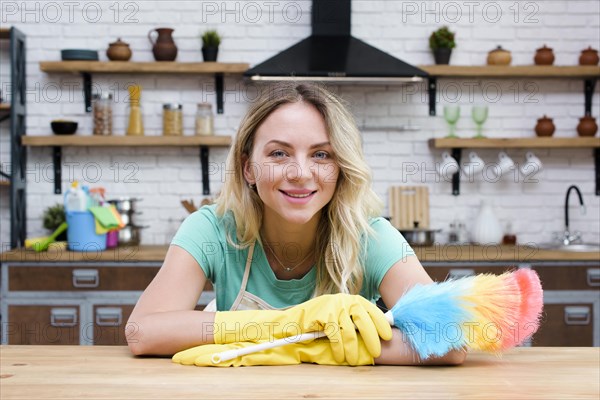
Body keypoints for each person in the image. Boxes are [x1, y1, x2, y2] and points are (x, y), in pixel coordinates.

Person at [126, 83, 465, 366]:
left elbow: (452, 341)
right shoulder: (212, 230)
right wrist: (291, 325)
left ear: (341, 166)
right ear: (248, 168)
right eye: (279, 154)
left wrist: (309, 345)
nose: (301, 173)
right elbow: (143, 332)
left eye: (321, 155)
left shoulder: (371, 237)